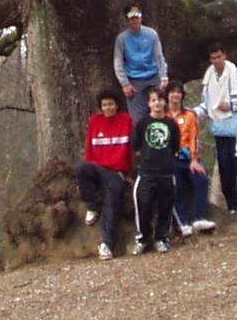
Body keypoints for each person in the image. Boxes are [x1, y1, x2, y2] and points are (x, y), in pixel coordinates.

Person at [75, 88, 133, 260]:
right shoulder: (95, 121)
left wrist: (128, 173)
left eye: (111, 104)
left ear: (117, 105)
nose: (108, 108)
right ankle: (93, 204)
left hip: (117, 172)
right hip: (98, 168)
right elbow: (89, 149)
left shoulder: (126, 120)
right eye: (105, 105)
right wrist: (89, 163)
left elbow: (130, 150)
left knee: (112, 201)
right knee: (81, 169)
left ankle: (106, 244)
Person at [196, 43, 237, 217]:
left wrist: (231, 105)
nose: (216, 61)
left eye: (219, 57)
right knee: (225, 170)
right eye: (213, 58)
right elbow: (208, 105)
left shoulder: (236, 73)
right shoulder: (209, 78)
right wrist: (193, 114)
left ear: (225, 56)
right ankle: (233, 206)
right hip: (219, 130)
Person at [129, 87, 180, 255]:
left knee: (166, 206)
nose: (157, 103)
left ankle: (161, 238)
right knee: (144, 204)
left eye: (159, 99)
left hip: (166, 172)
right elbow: (136, 146)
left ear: (165, 102)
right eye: (153, 100)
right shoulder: (143, 124)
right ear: (148, 104)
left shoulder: (171, 124)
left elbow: (174, 146)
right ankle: (143, 238)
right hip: (146, 172)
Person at [166, 84, 216, 236]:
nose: (175, 95)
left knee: (201, 179)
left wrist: (194, 159)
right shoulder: (163, 116)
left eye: (178, 92)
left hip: (188, 157)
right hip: (170, 159)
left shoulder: (189, 115)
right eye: (172, 92)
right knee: (177, 187)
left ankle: (198, 218)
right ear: (167, 95)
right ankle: (183, 222)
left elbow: (194, 138)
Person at [113, 4, 168, 116]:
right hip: (134, 80)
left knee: (159, 111)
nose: (135, 21)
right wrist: (125, 83)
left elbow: (159, 56)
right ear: (128, 20)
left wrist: (163, 76)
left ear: (141, 18)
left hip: (153, 77)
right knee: (138, 116)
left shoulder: (151, 34)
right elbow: (118, 62)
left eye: (137, 17)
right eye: (132, 18)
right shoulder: (122, 38)